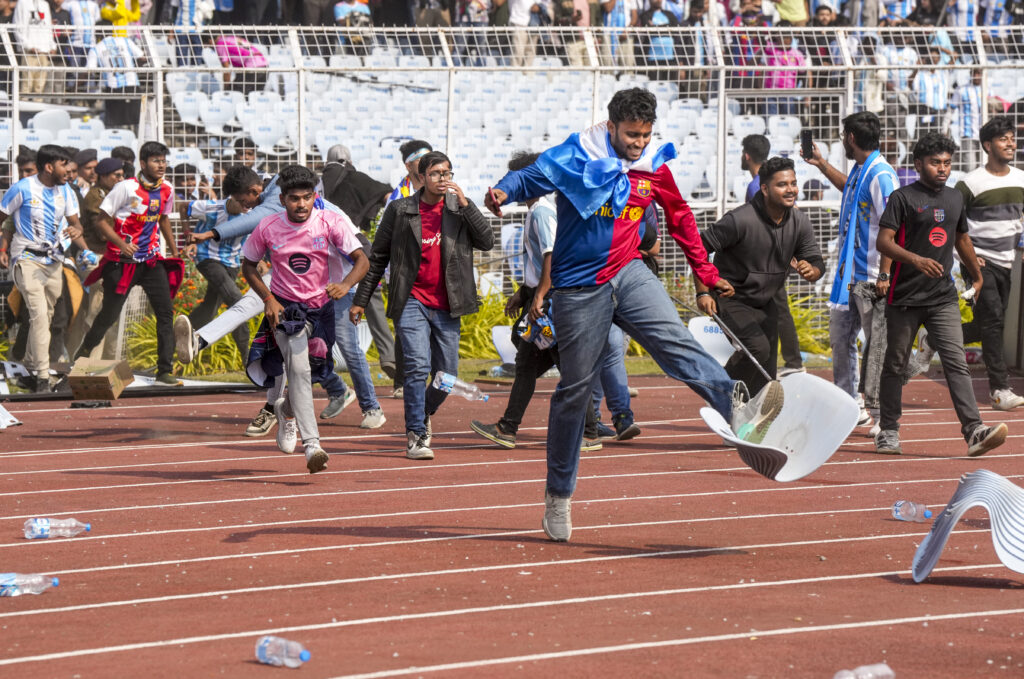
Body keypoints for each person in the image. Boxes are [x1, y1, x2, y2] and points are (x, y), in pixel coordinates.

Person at [487, 88, 783, 542]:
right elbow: (534, 175)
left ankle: (736, 408)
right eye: (630, 135)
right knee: (574, 389)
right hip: (579, 285)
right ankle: (558, 496)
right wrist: (502, 191)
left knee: (675, 342)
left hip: (629, 272)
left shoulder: (652, 166)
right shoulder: (576, 152)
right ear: (611, 127)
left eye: (645, 135)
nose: (638, 144)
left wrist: (704, 272)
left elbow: (681, 217)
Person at [351, 151, 494, 461]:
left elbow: (486, 242)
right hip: (411, 299)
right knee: (416, 367)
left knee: (448, 377)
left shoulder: (459, 209)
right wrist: (360, 300)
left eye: (447, 173)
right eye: (436, 174)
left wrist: (468, 206)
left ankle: (423, 410)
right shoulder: (401, 210)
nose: (443, 179)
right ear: (422, 177)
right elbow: (377, 258)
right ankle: (415, 434)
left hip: (448, 304)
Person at [875, 133, 1008, 457]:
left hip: (943, 298)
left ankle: (974, 430)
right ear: (919, 164)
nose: (943, 169)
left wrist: (977, 277)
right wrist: (915, 260)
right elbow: (884, 242)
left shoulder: (954, 198)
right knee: (895, 364)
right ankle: (888, 429)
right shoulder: (902, 198)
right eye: (936, 163)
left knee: (956, 363)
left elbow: (961, 238)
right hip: (903, 298)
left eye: (947, 163)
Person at [470, 151, 605, 451]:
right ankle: (586, 429)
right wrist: (525, 292)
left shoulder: (542, 211)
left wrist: (540, 295)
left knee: (545, 365)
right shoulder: (540, 210)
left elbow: (550, 255)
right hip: (543, 295)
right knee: (537, 363)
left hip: (551, 300)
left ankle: (585, 430)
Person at [241, 165, 369, 474]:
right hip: (287, 311)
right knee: (297, 369)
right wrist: (268, 299)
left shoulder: (330, 222)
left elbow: (362, 259)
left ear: (315, 197)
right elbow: (248, 266)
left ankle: (285, 412)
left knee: (309, 371)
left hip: (321, 310)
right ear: (283, 199)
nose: (301, 205)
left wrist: (346, 285)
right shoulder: (267, 227)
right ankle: (313, 445)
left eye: (307, 198)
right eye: (294, 199)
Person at [695, 157, 824, 394]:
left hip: (767, 301)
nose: (791, 189)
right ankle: (720, 390)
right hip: (732, 298)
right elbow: (699, 249)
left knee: (766, 375)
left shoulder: (800, 221)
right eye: (782, 184)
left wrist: (812, 270)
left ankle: (749, 415)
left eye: (793, 183)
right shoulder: (739, 219)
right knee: (758, 349)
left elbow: (816, 261)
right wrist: (703, 291)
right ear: (764, 189)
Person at [804, 111, 899, 430]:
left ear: (851, 138)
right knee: (840, 338)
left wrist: (885, 274)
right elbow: (852, 191)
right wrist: (821, 164)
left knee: (877, 349)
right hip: (850, 277)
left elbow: (895, 226)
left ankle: (886, 416)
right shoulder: (863, 169)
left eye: (844, 136)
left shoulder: (881, 174)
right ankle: (850, 404)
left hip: (873, 277)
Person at [74, 141, 184, 386]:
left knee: (165, 313)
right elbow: (101, 222)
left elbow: (163, 219)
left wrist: (174, 250)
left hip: (151, 262)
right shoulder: (125, 188)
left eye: (164, 160)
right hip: (121, 263)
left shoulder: (166, 188)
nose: (161, 165)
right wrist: (122, 244)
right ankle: (81, 355)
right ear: (143, 164)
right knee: (108, 316)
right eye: (156, 160)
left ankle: (164, 371)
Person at [0, 145, 91, 392]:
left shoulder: (67, 192)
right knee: (40, 315)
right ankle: (42, 378)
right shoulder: (22, 188)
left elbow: (76, 224)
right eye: (64, 166)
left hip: (55, 261)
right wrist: (3, 248)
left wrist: (76, 231)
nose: (69, 172)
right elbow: (2, 217)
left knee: (47, 316)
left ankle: (29, 365)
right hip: (26, 259)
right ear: (50, 167)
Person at [956, 116, 1024, 410]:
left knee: (989, 323)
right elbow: (950, 227)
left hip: (1008, 262)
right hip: (978, 262)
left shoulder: (1021, 178)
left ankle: (935, 337)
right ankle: (999, 389)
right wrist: (966, 257)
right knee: (994, 318)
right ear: (987, 145)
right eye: (1002, 139)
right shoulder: (970, 183)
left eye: (1011, 138)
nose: (1010, 143)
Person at [179, 166, 255, 362]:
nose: (246, 205)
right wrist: (189, 237)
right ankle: (248, 360)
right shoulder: (211, 207)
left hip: (232, 264)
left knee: (209, 309)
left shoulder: (251, 214)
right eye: (242, 201)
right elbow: (183, 207)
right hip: (208, 258)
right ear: (233, 197)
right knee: (239, 303)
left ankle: (176, 342)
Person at [68, 156, 124, 359]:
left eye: (122, 175)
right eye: (116, 175)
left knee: (111, 313)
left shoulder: (114, 194)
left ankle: (109, 360)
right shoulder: (95, 196)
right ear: (103, 176)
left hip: (113, 257)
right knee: (97, 310)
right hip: (97, 258)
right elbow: (103, 232)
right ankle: (90, 362)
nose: (121, 179)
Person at [14, 0, 56, 97]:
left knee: (40, 86)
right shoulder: (22, 3)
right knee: (26, 84)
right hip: (29, 51)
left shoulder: (45, 4)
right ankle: (23, 109)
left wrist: (52, 46)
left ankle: (37, 107)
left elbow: (48, 27)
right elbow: (16, 27)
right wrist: (28, 46)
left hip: (44, 51)